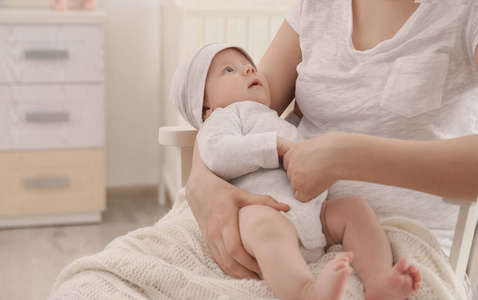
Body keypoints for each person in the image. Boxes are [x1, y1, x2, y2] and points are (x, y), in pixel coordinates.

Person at [184, 0, 478, 287]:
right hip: (294, 222)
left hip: (403, 244)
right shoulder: (315, 7)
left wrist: (347, 156)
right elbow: (242, 108)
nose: (246, 70)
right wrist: (201, 181)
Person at [170, 42, 422, 300]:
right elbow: (217, 151)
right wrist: (273, 146)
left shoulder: (268, 117)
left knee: (354, 209)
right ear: (205, 108)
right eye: (228, 71)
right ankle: (306, 291)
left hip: (313, 213)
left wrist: (297, 120)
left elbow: (292, 139)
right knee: (263, 225)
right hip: (267, 211)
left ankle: (378, 278)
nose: (247, 69)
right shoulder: (222, 118)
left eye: (249, 65)